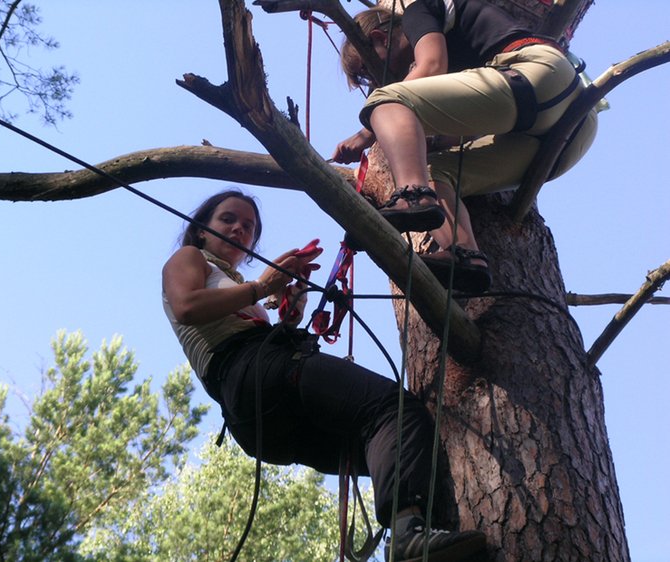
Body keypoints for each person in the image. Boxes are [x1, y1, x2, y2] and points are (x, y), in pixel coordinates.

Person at [162, 189, 487, 561]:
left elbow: (242, 327)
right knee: (393, 411)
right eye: (227, 219)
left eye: (248, 227)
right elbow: (186, 306)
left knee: (389, 448)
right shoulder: (190, 258)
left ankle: (413, 530)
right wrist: (261, 288)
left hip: (257, 419)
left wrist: (288, 312)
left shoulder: (234, 284)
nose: (239, 229)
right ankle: (407, 537)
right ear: (202, 230)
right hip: (251, 372)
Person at [333, 1, 598, 293]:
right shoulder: (461, 70)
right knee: (436, 173)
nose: (369, 79)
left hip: (539, 73)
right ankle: (464, 253)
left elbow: (431, 66)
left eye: (364, 71)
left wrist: (366, 133)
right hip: (569, 136)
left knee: (385, 100)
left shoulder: (419, 10)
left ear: (379, 38)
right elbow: (466, 128)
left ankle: (412, 195)